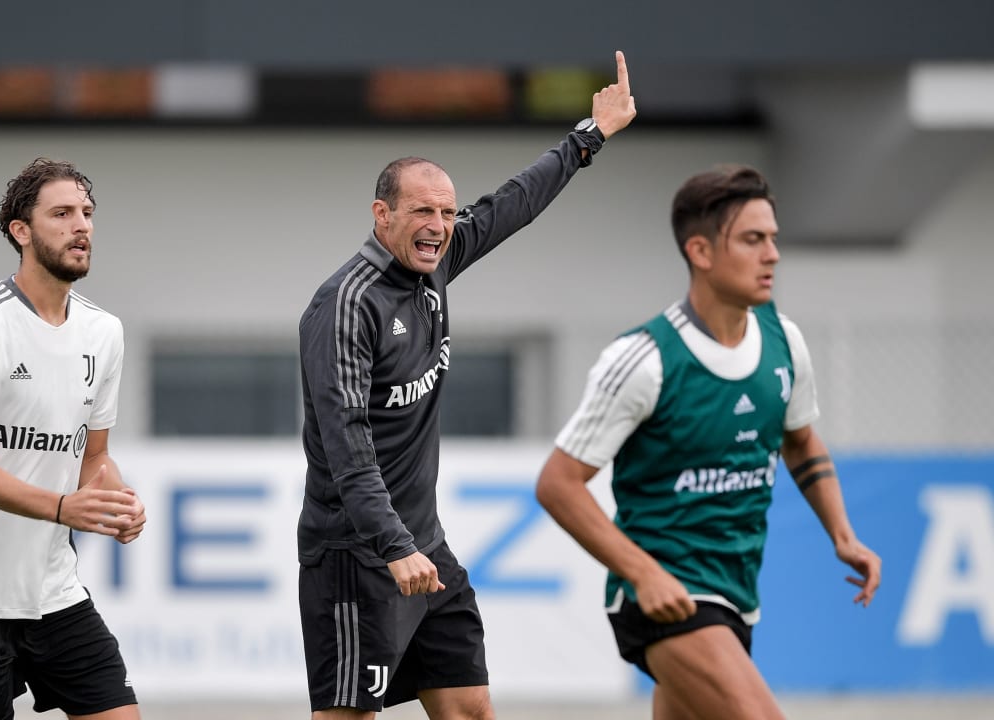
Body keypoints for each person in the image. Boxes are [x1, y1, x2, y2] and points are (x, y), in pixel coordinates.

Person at [296, 51, 636, 720]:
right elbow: (348, 443)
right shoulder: (344, 305)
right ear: (381, 214)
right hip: (356, 555)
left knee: (470, 706)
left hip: (425, 545)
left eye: (447, 213)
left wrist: (588, 136)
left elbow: (511, 205)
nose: (438, 225)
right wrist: (394, 548)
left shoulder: (436, 263)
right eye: (422, 210)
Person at [536, 164, 883, 719]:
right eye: (752, 240)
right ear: (700, 251)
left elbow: (801, 442)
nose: (772, 254)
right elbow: (558, 484)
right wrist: (644, 573)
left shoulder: (783, 341)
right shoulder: (645, 359)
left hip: (737, 594)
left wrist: (843, 535)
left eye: (773, 239)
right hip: (668, 596)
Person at [0, 158, 147, 720]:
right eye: (61, 214)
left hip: (53, 591)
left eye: (87, 213)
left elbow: (94, 457)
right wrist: (64, 507)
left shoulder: (104, 332)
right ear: (21, 231)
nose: (81, 226)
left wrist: (117, 500)